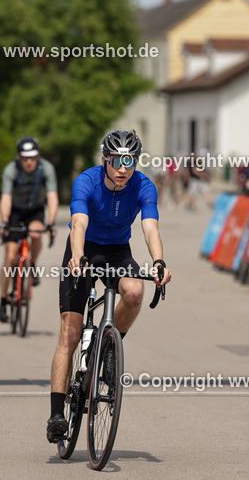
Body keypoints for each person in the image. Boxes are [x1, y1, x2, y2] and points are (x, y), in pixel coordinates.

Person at [47, 129, 171, 443]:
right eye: (116, 159)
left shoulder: (144, 186)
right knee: (70, 334)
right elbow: (79, 222)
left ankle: (110, 348)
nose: (122, 167)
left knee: (134, 292)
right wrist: (77, 255)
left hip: (118, 250)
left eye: (129, 160)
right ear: (105, 159)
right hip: (84, 249)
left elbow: (150, 226)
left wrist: (158, 261)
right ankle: (57, 413)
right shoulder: (86, 181)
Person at [0, 136, 58, 323]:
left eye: (33, 157)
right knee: (9, 255)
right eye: (25, 158)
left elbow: (52, 196)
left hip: (35, 211)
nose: (29, 161)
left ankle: (32, 265)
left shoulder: (46, 169)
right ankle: (2, 299)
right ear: (19, 157)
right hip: (15, 212)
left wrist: (51, 222)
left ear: (38, 156)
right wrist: (4, 221)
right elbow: (5, 198)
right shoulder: (11, 169)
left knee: (35, 233)